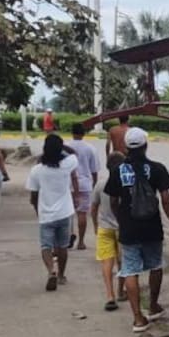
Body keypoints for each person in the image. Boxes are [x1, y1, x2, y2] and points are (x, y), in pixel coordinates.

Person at [103, 128, 169, 332]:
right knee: (155, 265)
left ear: (126, 147)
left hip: (129, 228)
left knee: (130, 270)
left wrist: (122, 219)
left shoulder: (117, 171)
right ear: (146, 145)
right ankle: (154, 306)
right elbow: (166, 200)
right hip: (152, 226)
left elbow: (113, 201)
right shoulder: (157, 169)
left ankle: (138, 318)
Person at [25, 134, 79, 291]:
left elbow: (33, 196)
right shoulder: (66, 165)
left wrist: (37, 211)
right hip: (64, 213)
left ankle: (51, 271)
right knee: (62, 246)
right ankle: (61, 275)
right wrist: (63, 146)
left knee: (46, 246)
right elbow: (75, 153)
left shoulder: (37, 170)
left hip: (46, 214)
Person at [90, 153, 127, 311]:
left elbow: (93, 208)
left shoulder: (100, 184)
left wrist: (95, 225)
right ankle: (121, 290)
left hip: (104, 228)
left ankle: (110, 295)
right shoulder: (125, 184)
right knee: (122, 261)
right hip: (122, 228)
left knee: (107, 262)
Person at [66, 122, 101, 250]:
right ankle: (81, 242)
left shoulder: (65, 147)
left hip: (68, 183)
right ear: (84, 133)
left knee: (68, 213)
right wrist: (93, 184)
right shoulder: (90, 148)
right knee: (82, 213)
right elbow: (94, 171)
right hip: (85, 184)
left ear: (72, 132)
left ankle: (68, 236)